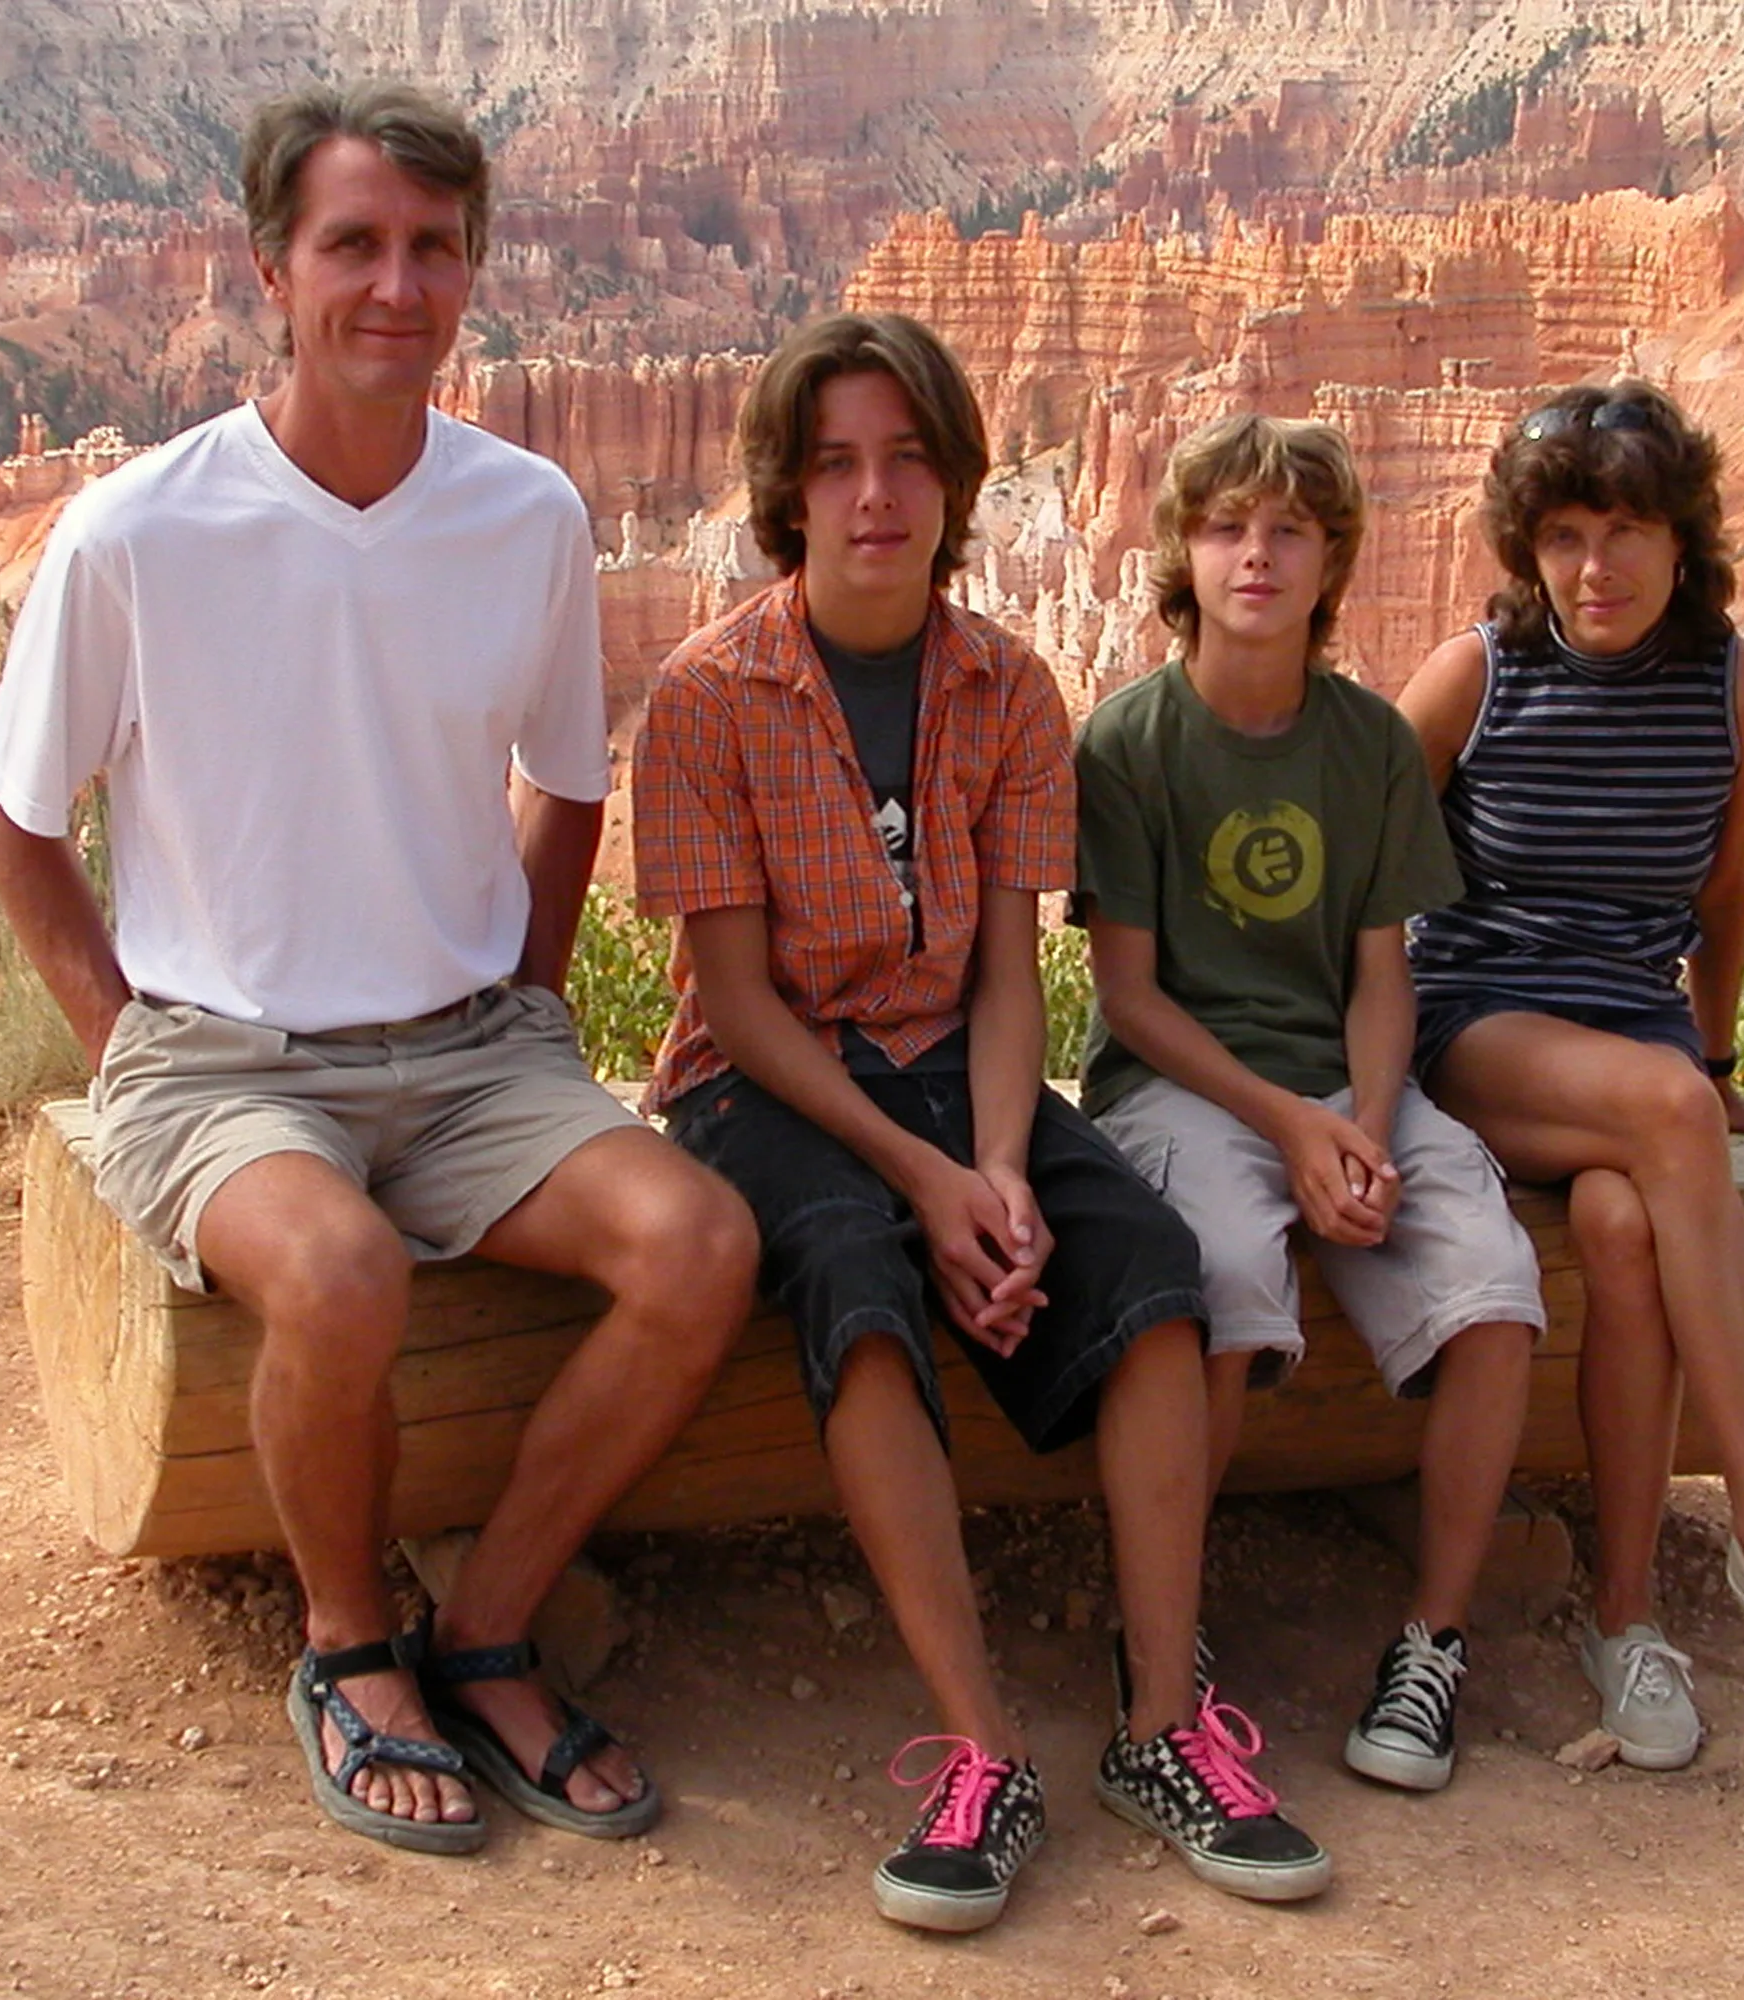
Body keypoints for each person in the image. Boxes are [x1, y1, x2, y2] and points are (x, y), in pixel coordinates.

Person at [0, 81, 757, 1856]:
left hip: (474, 1051)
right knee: (335, 1279)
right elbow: (11, 816)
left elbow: (566, 788)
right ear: (270, 265)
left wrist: (535, 1012)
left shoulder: (528, 515)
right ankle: (347, 1646)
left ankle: (488, 1623)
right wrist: (121, 1049)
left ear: (471, 268)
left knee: (699, 1245)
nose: (396, 286)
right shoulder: (139, 532)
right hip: (223, 1058)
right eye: (354, 245)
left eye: (432, 247)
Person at [631, 313, 1329, 1933]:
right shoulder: (706, 694)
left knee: (1153, 1273)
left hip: (964, 1070)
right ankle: (982, 1747)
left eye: (908, 459)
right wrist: (924, 1178)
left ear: (954, 480)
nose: (876, 495)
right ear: (787, 497)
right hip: (771, 1082)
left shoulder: (1010, 688)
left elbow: (1011, 970)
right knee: (857, 1278)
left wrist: (1003, 1170)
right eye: (836, 465)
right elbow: (730, 1002)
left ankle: (1163, 1722)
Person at [1395, 381, 1744, 1774]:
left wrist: (1720, 1059)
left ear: (1685, 542)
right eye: (1562, 534)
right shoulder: (1473, 678)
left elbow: (1726, 895)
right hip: (1477, 1026)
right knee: (1670, 1113)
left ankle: (1626, 1628)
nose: (1594, 568)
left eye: (1626, 530)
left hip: (1634, 1046)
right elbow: (1363, 883)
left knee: (1626, 1225)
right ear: (1525, 546)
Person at [1076, 414, 1545, 1795]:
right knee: (1215, 1281)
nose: (1257, 556)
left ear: (1333, 555)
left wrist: (1373, 1123)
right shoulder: (1130, 743)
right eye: (1228, 527)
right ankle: (1169, 1640)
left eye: (1288, 529)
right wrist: (1293, 1127)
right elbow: (1132, 1001)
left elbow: (1382, 974)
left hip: (1351, 1086)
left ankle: (1433, 1639)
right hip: (1185, 1086)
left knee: (1498, 1283)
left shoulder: (1369, 747)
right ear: (1183, 552)